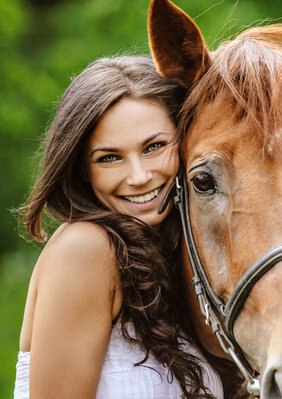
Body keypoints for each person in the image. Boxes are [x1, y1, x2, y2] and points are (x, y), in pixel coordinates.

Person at [15, 55, 224, 399]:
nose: (139, 177)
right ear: (83, 169)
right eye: (110, 158)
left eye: (154, 147)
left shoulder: (175, 262)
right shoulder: (86, 248)